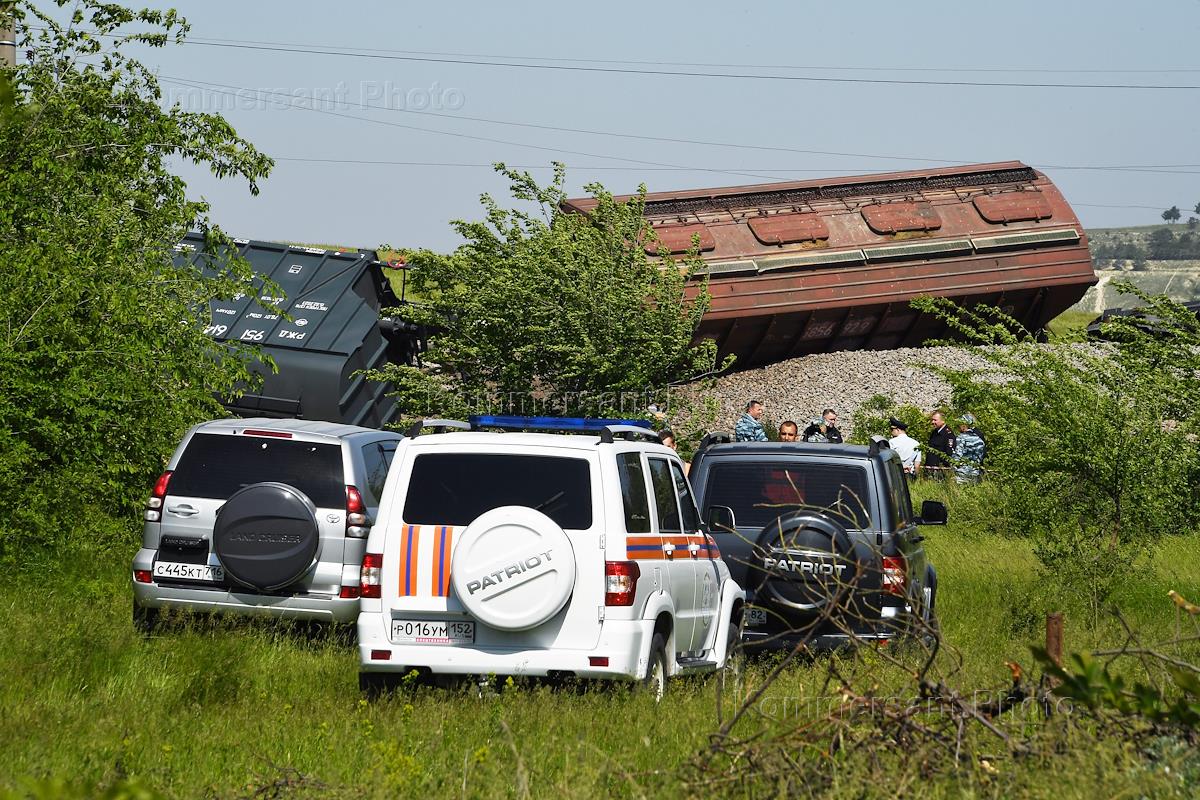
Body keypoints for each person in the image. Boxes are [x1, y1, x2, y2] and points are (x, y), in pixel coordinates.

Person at [951, 413, 986, 484]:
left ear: (964, 425)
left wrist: (953, 468)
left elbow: (957, 457)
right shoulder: (979, 439)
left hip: (961, 475)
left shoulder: (961, 438)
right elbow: (980, 457)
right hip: (975, 474)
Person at [925, 410, 956, 480]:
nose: (932, 422)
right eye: (932, 420)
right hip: (930, 468)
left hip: (940, 469)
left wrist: (942, 467)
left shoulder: (948, 434)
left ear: (943, 421)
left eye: (935, 420)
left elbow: (949, 452)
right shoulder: (934, 432)